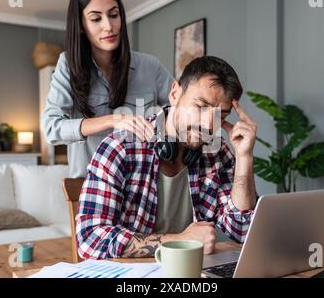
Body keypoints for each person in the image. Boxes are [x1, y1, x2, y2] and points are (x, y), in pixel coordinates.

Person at [76, 56, 259, 259]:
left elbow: (241, 230)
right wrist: (180, 241)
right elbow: (89, 239)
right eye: (200, 106)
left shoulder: (218, 153)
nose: (209, 124)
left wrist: (244, 157)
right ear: (174, 94)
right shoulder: (120, 147)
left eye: (221, 116)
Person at [42, 0, 173, 177]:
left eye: (113, 15)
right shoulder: (68, 65)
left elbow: (180, 109)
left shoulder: (151, 66)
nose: (109, 26)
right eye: (96, 19)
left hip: (143, 188)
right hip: (90, 190)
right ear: (81, 25)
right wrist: (113, 120)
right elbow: (52, 128)